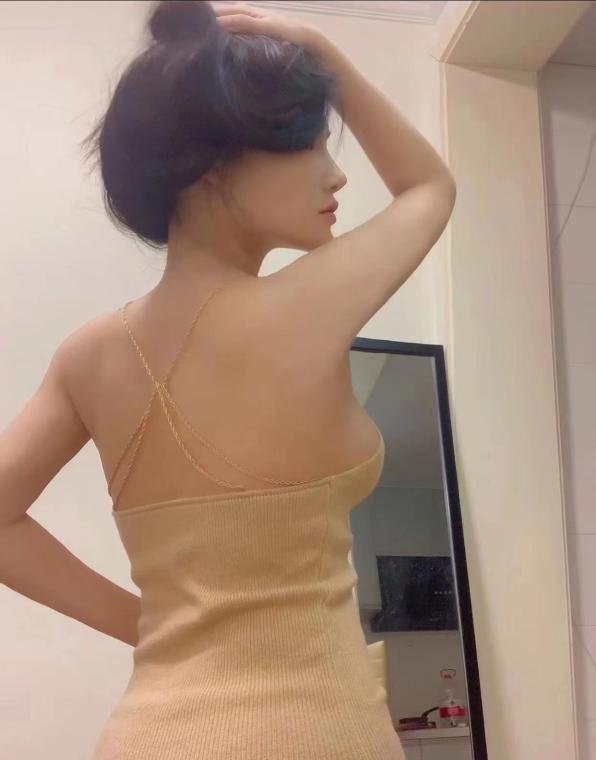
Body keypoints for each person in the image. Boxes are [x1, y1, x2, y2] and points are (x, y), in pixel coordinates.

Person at [0, 1, 456, 758]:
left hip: (148, 733)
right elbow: (428, 188)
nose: (336, 172)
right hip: (316, 732)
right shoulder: (308, 304)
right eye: (309, 142)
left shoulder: (86, 356)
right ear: (210, 163)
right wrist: (322, 49)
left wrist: (149, 629)